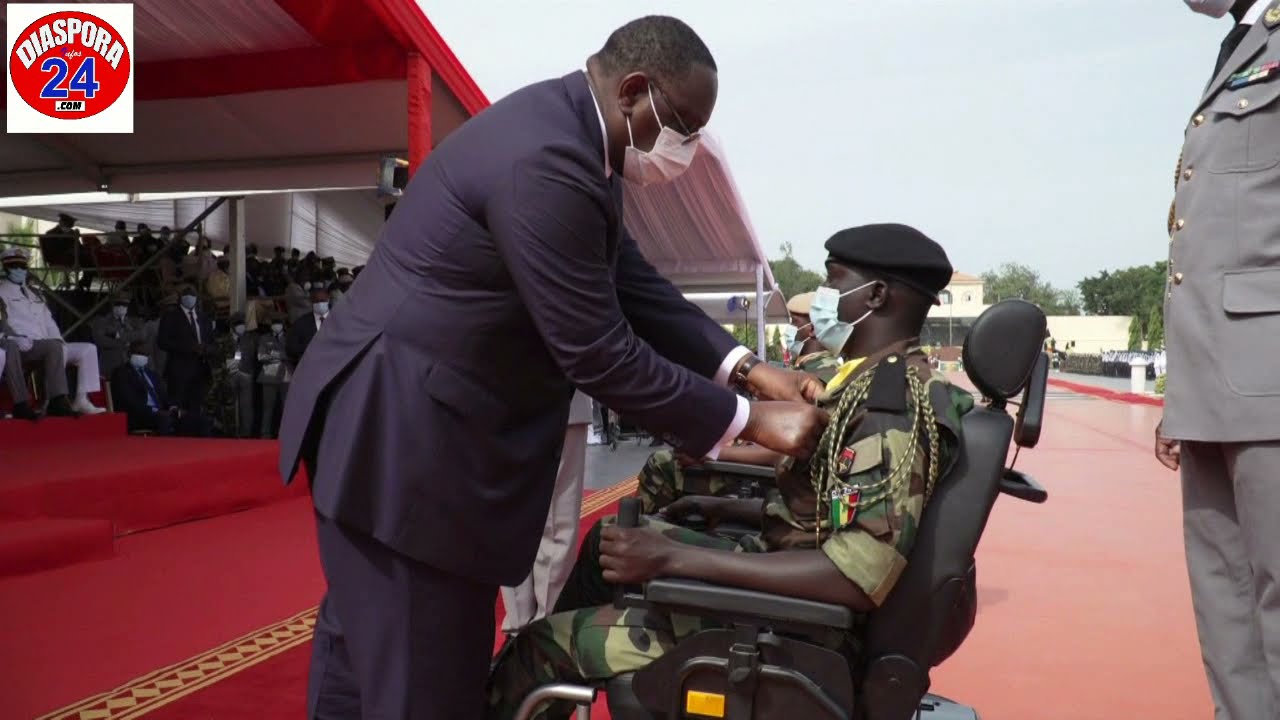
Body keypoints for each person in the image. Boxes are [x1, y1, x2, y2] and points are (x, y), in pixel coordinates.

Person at [278, 16, 826, 719]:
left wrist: (746, 369)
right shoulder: (547, 159)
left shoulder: (580, 140)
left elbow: (633, 282)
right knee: (423, 682)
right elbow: (597, 351)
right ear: (634, 91)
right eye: (683, 126)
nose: (685, 148)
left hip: (400, 429)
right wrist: (749, 421)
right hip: (409, 448)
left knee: (362, 659)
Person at [486, 223, 974, 720]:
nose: (825, 297)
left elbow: (852, 576)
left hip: (797, 630)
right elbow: (819, 518)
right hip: (781, 589)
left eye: (834, 282)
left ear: (875, 295)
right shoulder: (871, 382)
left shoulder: (891, 409)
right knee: (604, 543)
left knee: (541, 646)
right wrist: (714, 509)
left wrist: (670, 559)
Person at [1155, 2, 1280, 718]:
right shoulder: (1241, 45)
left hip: (1271, 376)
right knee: (1227, 615)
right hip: (1215, 382)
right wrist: (1184, 392)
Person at [500, 390, 595, 634]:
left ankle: (519, 621)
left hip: (498, 397)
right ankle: (547, 629)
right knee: (558, 523)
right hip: (562, 395)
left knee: (509, 516)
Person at [0, 248, 106, 415]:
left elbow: (49, 322)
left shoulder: (36, 293)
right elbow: (3, 321)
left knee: (59, 346)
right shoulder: (2, 292)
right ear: (6, 269)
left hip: (40, 342)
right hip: (18, 342)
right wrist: (13, 336)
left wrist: (58, 340)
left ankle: (62, 400)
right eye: (15, 267)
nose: (20, 271)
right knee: (14, 347)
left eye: (22, 267)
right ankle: (23, 403)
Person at [156, 285, 214, 418]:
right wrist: (188, 347)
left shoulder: (204, 318)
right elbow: (162, 342)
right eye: (186, 294)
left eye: (192, 294)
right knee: (178, 406)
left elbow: (212, 340)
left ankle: (194, 433)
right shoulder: (170, 316)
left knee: (197, 405)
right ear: (180, 298)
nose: (189, 297)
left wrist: (206, 349)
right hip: (179, 369)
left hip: (201, 368)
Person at [285, 287, 329, 368]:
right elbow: (291, 347)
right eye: (316, 301)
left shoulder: (338, 319)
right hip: (311, 366)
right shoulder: (300, 323)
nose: (320, 304)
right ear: (311, 302)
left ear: (328, 300)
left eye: (323, 301)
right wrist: (312, 348)